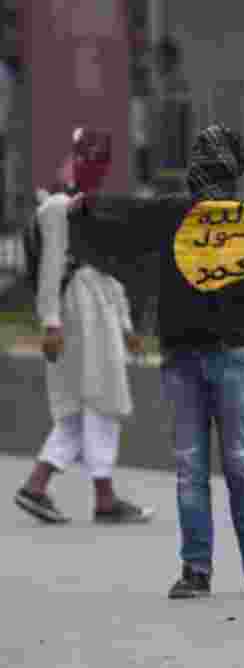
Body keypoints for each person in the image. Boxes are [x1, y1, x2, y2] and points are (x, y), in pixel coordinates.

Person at [68, 123, 244, 599]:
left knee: (221, 467)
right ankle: (208, 568)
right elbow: (119, 217)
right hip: (193, 358)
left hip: (217, 357)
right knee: (209, 467)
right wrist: (88, 209)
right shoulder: (178, 214)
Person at [14, 128, 154, 525]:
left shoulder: (91, 205)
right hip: (79, 312)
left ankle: (37, 486)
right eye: (90, 155)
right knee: (102, 398)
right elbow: (51, 269)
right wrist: (51, 322)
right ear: (76, 157)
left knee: (82, 405)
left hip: (99, 309)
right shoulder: (60, 206)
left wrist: (126, 323)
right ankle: (105, 498)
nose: (97, 163)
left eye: (102, 157)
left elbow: (111, 267)